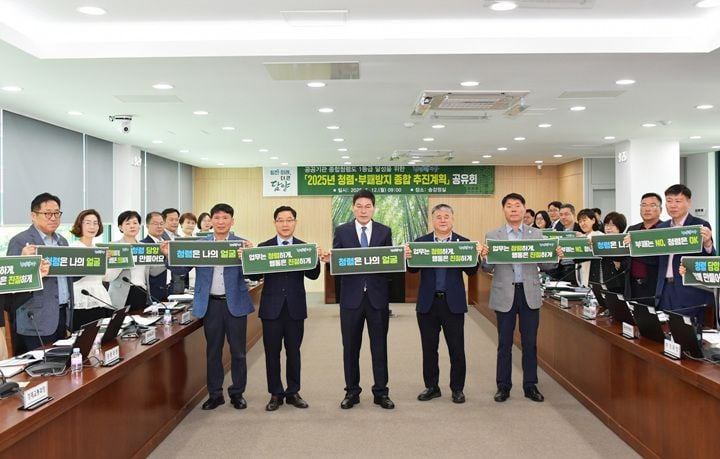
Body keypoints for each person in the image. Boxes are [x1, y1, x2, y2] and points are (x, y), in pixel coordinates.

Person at [164, 203, 254, 410]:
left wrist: (249, 257)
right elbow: (181, 270)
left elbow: (252, 274)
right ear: (211, 221)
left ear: (232, 221)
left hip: (235, 304)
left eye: (225, 218)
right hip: (211, 305)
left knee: (238, 352)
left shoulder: (242, 244)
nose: (221, 222)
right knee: (213, 352)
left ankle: (237, 393)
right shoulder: (200, 245)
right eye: (217, 218)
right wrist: (169, 255)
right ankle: (215, 394)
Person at [481, 193, 562, 403]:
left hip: (529, 294)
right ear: (504, 210)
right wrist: (484, 256)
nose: (514, 209)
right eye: (509, 206)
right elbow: (487, 268)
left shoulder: (536, 234)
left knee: (530, 343)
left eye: (517, 205)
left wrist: (556, 255)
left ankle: (530, 385)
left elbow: (547, 265)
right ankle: (503, 386)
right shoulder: (493, 235)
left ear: (524, 209)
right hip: (504, 294)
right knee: (504, 343)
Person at [321, 189, 395, 410]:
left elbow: (389, 264)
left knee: (380, 347)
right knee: (350, 347)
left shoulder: (384, 231)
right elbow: (337, 261)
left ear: (374, 208)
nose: (364, 210)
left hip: (377, 298)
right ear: (353, 208)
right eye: (359, 206)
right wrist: (330, 259)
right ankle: (351, 392)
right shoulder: (342, 231)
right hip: (351, 299)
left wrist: (399, 256)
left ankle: (381, 392)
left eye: (368, 206)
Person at [405, 204, 479, 404]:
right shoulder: (421, 243)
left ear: (452, 219)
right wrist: (408, 257)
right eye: (438, 216)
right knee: (429, 348)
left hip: (452, 303)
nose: (443, 220)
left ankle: (457, 389)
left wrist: (476, 255)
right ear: (432, 220)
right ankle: (432, 387)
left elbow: (472, 272)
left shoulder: (464, 243)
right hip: (428, 303)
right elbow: (412, 270)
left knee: (457, 348)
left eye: (447, 216)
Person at [250, 206, 321, 411]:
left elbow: (313, 275)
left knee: (294, 352)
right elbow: (254, 276)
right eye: (281, 220)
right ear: (275, 223)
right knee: (272, 353)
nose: (285, 224)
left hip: (295, 308)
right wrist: (247, 257)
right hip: (271, 308)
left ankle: (293, 392)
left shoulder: (303, 247)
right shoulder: (264, 247)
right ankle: (275, 393)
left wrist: (315, 257)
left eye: (289, 220)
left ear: (295, 223)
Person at [6, 192, 74, 353]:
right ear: (33, 216)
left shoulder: (62, 241)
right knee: (42, 366)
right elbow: (11, 282)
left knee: (62, 363)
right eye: (48, 213)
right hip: (36, 318)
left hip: (62, 313)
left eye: (57, 213)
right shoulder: (20, 241)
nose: (53, 218)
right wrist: (23, 261)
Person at [655, 184, 715, 324]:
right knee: (665, 331)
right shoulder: (661, 228)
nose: (673, 205)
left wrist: (707, 244)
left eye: (678, 201)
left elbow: (710, 261)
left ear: (689, 203)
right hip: (664, 290)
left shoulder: (700, 225)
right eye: (669, 201)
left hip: (689, 291)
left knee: (688, 332)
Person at [105, 211, 166, 310]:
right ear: (120, 227)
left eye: (135, 223)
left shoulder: (144, 247)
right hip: (121, 293)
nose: (132, 226)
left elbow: (153, 271)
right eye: (128, 223)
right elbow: (108, 276)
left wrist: (166, 257)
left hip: (141, 292)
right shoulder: (114, 246)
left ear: (139, 226)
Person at [69, 209, 113, 330]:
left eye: (95, 223)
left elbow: (106, 277)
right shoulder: (73, 247)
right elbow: (71, 277)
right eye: (87, 223)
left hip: (99, 297)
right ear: (80, 225)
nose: (92, 227)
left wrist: (108, 261)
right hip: (81, 300)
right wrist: (96, 260)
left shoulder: (98, 249)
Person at [625, 193, 664, 303]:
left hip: (654, 286)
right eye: (643, 205)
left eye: (652, 205)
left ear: (660, 210)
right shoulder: (632, 229)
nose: (647, 209)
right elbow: (625, 255)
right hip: (632, 286)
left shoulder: (664, 230)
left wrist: (635, 247)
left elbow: (659, 258)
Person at [141, 211, 171, 301]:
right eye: (155, 224)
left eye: (161, 223)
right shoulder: (144, 245)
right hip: (155, 292)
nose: (159, 226)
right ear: (147, 225)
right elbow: (152, 271)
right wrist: (168, 258)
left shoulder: (168, 243)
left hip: (171, 290)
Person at [601, 212, 629, 294]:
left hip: (619, 284)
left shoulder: (626, 241)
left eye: (612, 225)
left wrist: (619, 265)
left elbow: (628, 263)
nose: (608, 228)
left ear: (620, 227)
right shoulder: (601, 241)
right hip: (604, 282)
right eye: (606, 225)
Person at [576, 208, 604, 288]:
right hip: (582, 278)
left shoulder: (599, 236)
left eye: (584, 220)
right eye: (580, 221)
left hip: (596, 277)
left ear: (593, 220)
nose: (582, 223)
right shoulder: (580, 237)